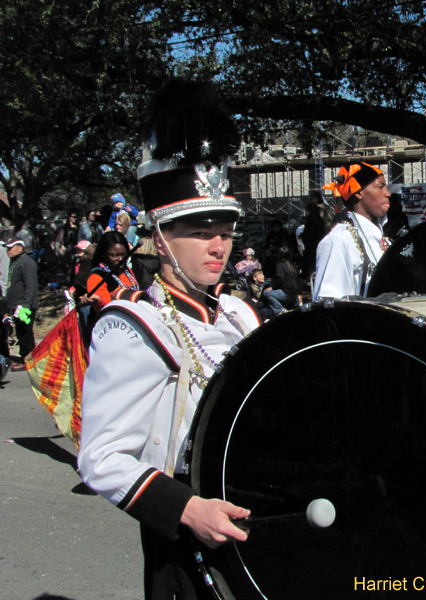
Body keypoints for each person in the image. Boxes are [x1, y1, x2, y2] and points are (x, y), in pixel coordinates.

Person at [77, 79, 261, 600]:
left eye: (225, 230)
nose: (218, 245)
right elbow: (102, 457)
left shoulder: (240, 314)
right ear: (160, 235)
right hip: (187, 535)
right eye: (199, 231)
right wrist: (186, 509)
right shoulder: (135, 325)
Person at [313, 162, 391, 299]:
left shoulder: (385, 242)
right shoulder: (338, 242)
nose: (388, 194)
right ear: (358, 192)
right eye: (380, 186)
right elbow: (328, 305)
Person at [3, 236, 38, 370]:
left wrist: (26, 304)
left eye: (11, 248)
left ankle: (27, 360)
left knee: (25, 333)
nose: (8, 250)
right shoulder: (15, 261)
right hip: (16, 304)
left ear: (20, 247)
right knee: (20, 332)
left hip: (24, 305)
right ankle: (25, 357)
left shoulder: (27, 262)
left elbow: (31, 285)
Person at [84, 231, 139, 313]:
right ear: (104, 254)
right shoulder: (97, 277)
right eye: (115, 256)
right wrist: (98, 300)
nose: (120, 259)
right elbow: (106, 307)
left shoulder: (126, 271)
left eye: (123, 255)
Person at [263, 246, 302, 314]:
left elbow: (280, 279)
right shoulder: (291, 265)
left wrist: (272, 287)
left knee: (266, 293)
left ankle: (280, 309)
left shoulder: (280, 265)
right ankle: (296, 303)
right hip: (295, 293)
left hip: (287, 293)